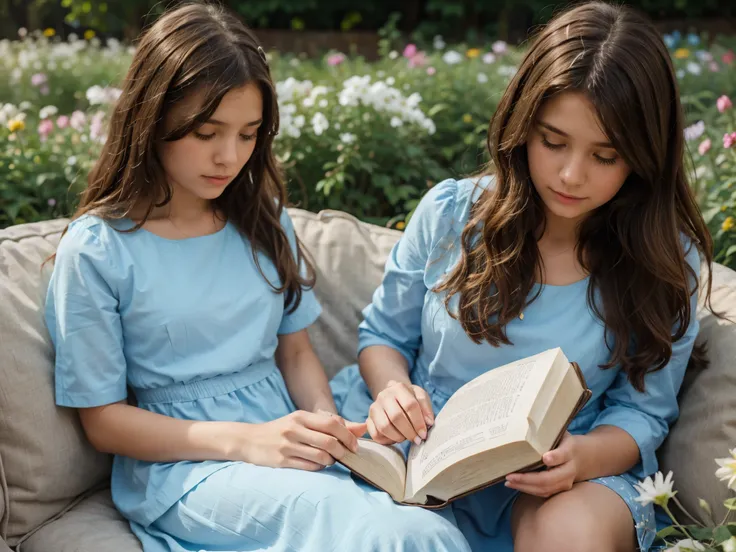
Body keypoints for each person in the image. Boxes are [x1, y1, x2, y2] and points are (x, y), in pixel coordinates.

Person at [44, 3, 471, 551]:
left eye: (248, 135)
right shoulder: (98, 250)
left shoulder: (262, 220)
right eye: (206, 132)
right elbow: (102, 421)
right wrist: (252, 442)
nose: (229, 157)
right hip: (187, 465)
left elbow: (294, 354)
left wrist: (324, 423)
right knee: (387, 535)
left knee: (428, 518)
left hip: (288, 434)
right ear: (152, 119)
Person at [331, 2, 715, 551]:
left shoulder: (665, 261)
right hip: (428, 454)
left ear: (643, 159)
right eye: (553, 142)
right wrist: (393, 393)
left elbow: (643, 413)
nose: (570, 175)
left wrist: (580, 458)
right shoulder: (449, 215)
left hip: (564, 473)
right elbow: (384, 338)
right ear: (522, 125)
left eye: (605, 156)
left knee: (566, 529)